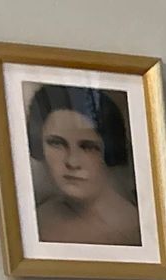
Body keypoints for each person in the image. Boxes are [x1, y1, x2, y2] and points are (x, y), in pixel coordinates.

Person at [27, 83, 141, 247]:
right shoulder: (35, 222)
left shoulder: (139, 228)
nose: (72, 162)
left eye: (88, 147)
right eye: (56, 144)